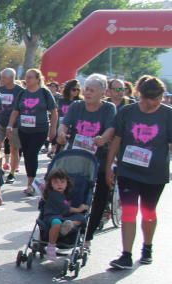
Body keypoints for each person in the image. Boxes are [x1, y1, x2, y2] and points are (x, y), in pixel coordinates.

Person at [105, 75, 172, 270]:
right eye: (149, 98)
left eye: (158, 99)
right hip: (128, 170)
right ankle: (126, 254)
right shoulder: (127, 112)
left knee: (148, 212)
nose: (153, 103)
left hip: (155, 174)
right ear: (139, 95)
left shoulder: (168, 115)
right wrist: (109, 166)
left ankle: (147, 248)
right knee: (129, 210)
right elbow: (117, 139)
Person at [56, 73, 116, 250]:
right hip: (76, 157)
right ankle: (66, 228)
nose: (87, 93)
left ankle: (88, 236)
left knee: (98, 197)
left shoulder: (108, 108)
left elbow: (111, 128)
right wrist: (61, 133)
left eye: (92, 90)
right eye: (86, 89)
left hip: (99, 159)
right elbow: (65, 124)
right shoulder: (76, 106)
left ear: (102, 92)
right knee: (71, 193)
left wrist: (103, 138)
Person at [7, 68, 58, 196]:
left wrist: (53, 129)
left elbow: (54, 112)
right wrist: (9, 125)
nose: (27, 79)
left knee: (32, 153)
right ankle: (31, 181)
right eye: (26, 76)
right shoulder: (22, 94)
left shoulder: (44, 93)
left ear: (37, 79)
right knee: (28, 155)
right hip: (24, 129)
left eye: (30, 77)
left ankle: (31, 183)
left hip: (40, 130)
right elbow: (15, 111)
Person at [37, 168, 88, 261]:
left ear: (66, 183)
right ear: (51, 184)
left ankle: (69, 225)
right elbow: (65, 208)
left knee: (81, 219)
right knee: (57, 222)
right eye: (56, 182)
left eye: (62, 182)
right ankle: (51, 247)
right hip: (52, 215)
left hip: (64, 217)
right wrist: (79, 209)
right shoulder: (54, 194)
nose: (59, 184)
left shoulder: (65, 194)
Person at [0, 68, 22, 183]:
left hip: (14, 124)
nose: (1, 80)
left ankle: (11, 173)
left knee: (14, 148)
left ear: (11, 78)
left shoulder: (20, 91)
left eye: (4, 77)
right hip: (0, 122)